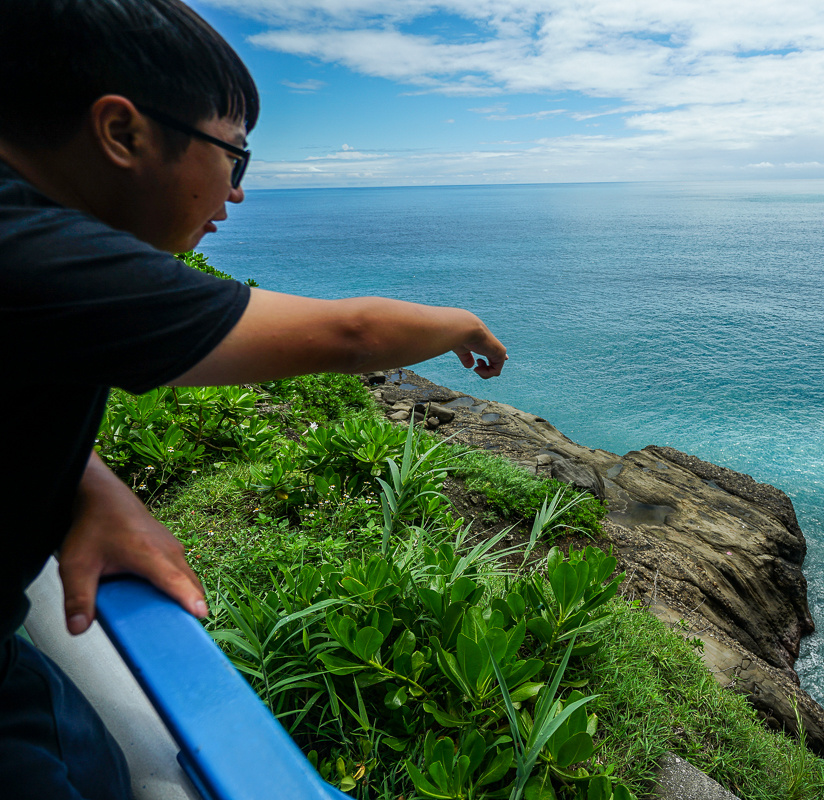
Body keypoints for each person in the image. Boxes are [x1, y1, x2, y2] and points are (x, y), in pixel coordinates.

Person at [0, 1, 507, 796]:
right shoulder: (41, 256)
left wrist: (90, 482)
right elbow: (352, 337)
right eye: (234, 158)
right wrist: (464, 324)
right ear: (122, 132)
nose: (235, 195)